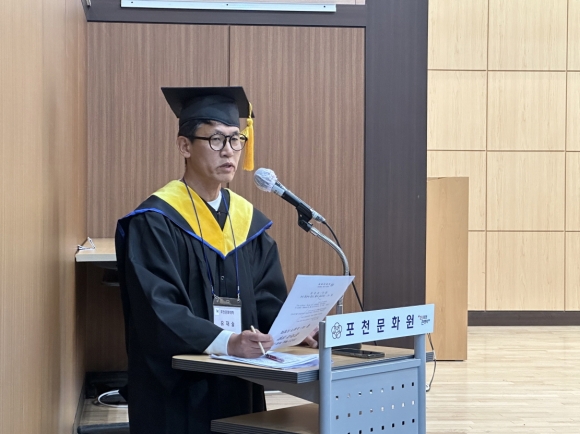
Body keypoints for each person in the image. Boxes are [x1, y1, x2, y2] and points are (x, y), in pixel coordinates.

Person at [115, 87, 300, 433]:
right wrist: (227, 342)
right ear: (184, 146)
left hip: (238, 383)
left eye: (235, 139)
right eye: (215, 139)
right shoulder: (155, 221)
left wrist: (296, 331)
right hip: (178, 392)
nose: (228, 151)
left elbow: (267, 299)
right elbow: (157, 311)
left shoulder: (248, 222)